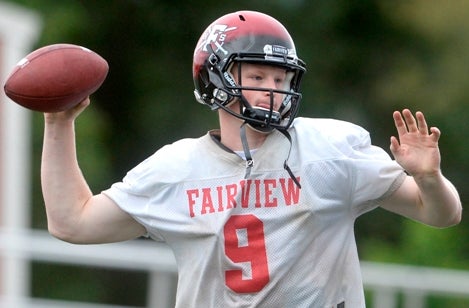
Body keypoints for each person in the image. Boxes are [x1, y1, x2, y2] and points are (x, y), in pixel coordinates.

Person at [41, 10, 462, 308]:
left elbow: (441, 214)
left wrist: (429, 179)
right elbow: (72, 222)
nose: (272, 89)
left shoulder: (329, 149)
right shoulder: (177, 170)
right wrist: (59, 125)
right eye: (257, 76)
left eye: (281, 78)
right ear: (214, 79)